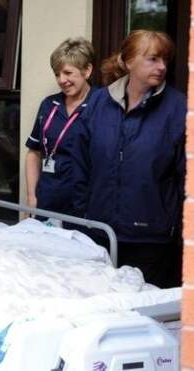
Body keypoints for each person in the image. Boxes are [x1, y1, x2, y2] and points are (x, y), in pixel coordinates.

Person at [69, 30, 185, 288]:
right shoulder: (97, 103)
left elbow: (185, 178)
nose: (162, 66)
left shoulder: (178, 108)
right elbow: (79, 165)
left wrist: (177, 229)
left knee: (144, 319)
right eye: (153, 59)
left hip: (151, 241)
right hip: (98, 235)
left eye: (165, 60)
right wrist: (83, 216)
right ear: (127, 61)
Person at [25, 37, 96, 215]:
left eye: (67, 73)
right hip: (48, 200)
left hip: (85, 206)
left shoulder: (102, 104)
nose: (61, 80)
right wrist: (31, 197)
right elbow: (33, 152)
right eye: (57, 74)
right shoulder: (49, 105)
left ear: (87, 70)